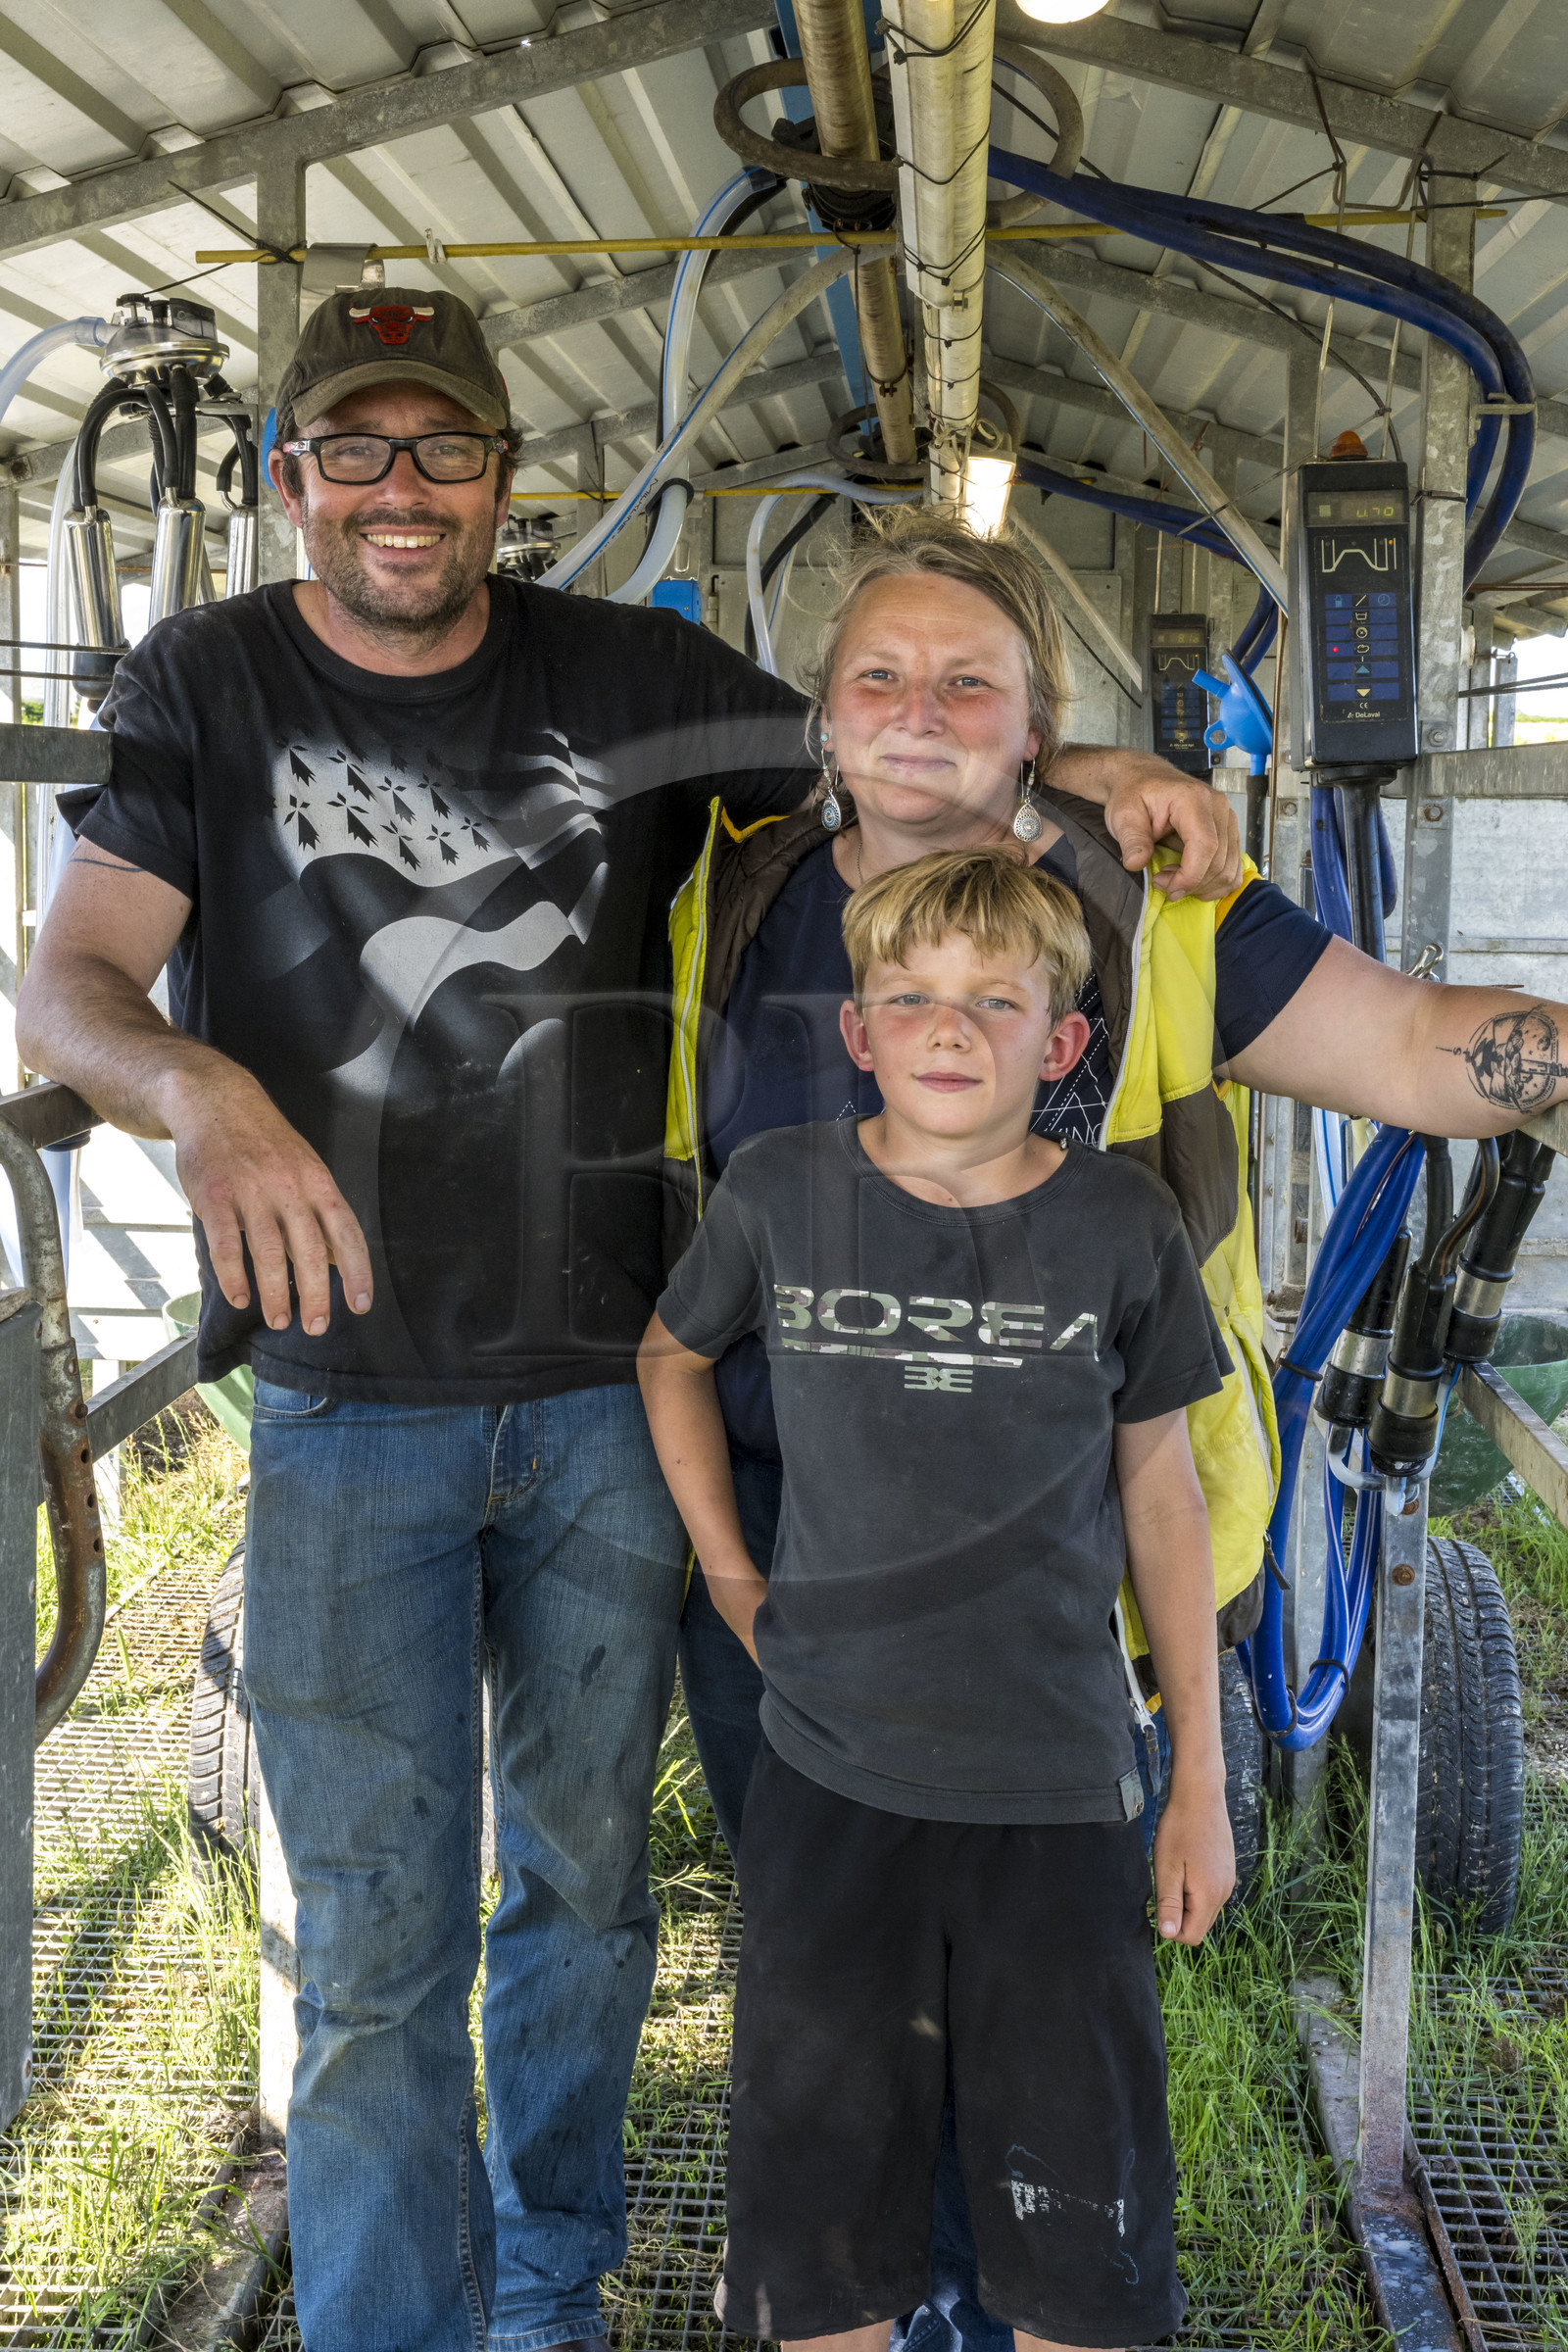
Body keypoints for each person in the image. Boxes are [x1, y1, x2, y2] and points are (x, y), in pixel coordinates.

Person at [13, 284, 1239, 2352]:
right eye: (356, 451)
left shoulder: (634, 672)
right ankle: (393, 2329)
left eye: (446, 449)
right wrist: (198, 1094)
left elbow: (898, 744)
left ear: (506, 476)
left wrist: (1090, 763)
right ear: (293, 480)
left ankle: (548, 2298)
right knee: (375, 1939)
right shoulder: (204, 677)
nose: (403, 490)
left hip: (605, 1397)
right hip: (342, 1399)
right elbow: (69, 989)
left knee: (582, 1896)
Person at [639, 844, 1237, 2352]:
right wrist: (732, 1573)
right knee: (821, 2243)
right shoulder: (782, 1191)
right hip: (833, 1783)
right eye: (909, 998)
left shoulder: (1124, 1226)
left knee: (1080, 2247)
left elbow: (1164, 1494)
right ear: (857, 1032)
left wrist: (1199, 1781)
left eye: (995, 1000)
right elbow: (671, 1357)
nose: (949, 1029)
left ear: (1064, 1041)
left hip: (1060, 1791)